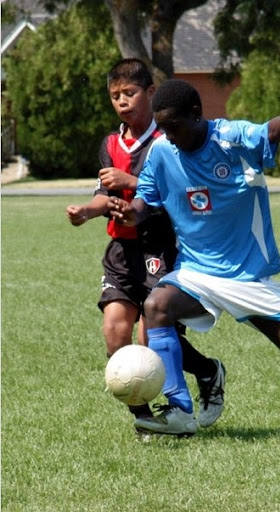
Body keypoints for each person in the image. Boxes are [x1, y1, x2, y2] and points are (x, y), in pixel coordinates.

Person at [109, 78, 280, 438]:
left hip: (248, 275)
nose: (169, 135)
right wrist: (133, 214)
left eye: (174, 127)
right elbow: (146, 198)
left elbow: (269, 133)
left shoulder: (231, 138)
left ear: (196, 114)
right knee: (157, 305)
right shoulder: (162, 152)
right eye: (163, 128)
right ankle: (179, 410)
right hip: (196, 273)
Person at [66, 61, 225, 435]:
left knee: (150, 337)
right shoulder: (110, 143)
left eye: (129, 93)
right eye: (114, 96)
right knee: (115, 333)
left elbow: (180, 193)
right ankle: (145, 417)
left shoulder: (168, 139)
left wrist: (132, 181)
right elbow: (105, 194)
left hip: (162, 248)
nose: (122, 102)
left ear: (150, 93)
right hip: (121, 252)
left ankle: (207, 372)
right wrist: (86, 212)